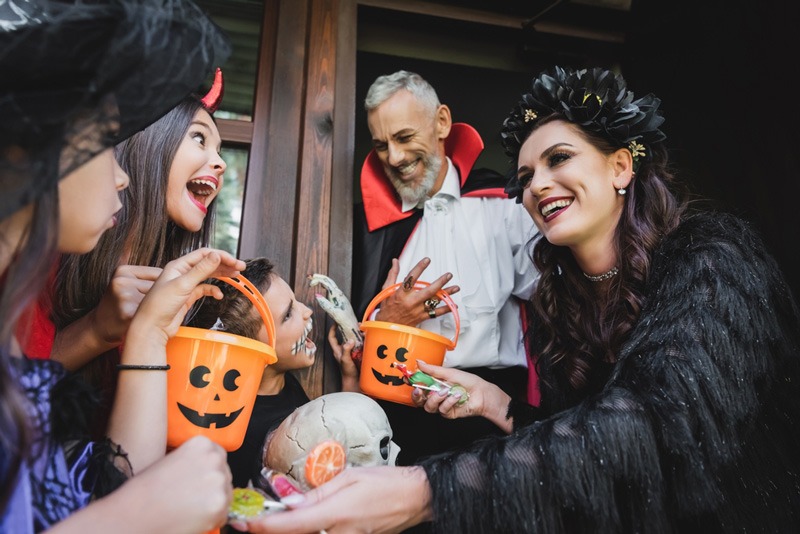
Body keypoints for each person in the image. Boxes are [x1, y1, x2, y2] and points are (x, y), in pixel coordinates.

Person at [240, 66, 800, 533]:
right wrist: (492, 402)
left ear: (621, 166)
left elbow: (655, 429)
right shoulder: (570, 299)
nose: (536, 186)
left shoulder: (713, 257)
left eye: (559, 159)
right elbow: (581, 431)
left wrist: (425, 491)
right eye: (526, 175)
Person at [1, 1, 238, 531]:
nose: (122, 172)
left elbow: (78, 488)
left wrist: (148, 331)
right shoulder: (41, 285)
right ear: (26, 145)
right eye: (109, 138)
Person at [15, 65, 228, 437]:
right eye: (199, 138)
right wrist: (98, 329)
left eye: (220, 150)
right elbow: (13, 385)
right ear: (148, 143)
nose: (220, 162)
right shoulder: (49, 255)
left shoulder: (170, 282)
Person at [352, 70, 540, 464]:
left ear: (441, 122)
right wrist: (389, 319)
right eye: (381, 145)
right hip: (402, 413)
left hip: (494, 411)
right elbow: (351, 343)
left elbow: (555, 303)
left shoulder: (505, 207)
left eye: (404, 138)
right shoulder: (366, 229)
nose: (395, 158)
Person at [187, 258, 360, 488]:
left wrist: (349, 377)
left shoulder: (283, 381)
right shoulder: (252, 433)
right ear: (253, 351)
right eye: (288, 315)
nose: (307, 311)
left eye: (296, 303)